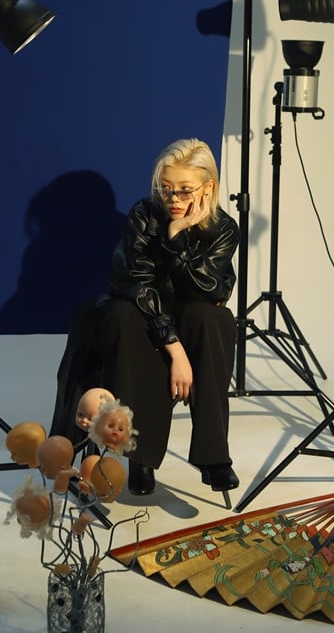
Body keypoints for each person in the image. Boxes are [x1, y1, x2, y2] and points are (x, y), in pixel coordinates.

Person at [97, 138, 240, 496]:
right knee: (122, 315)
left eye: (184, 190)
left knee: (215, 319)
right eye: (166, 189)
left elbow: (211, 290)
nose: (173, 199)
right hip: (143, 311)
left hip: (190, 317)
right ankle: (139, 456)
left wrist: (176, 239)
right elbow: (139, 285)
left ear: (208, 188)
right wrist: (175, 351)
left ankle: (214, 457)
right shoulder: (144, 215)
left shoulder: (224, 229)